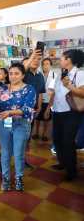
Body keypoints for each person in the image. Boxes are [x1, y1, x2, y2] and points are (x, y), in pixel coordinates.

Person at [0, 63, 36, 191]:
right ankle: (5, 178)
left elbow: (27, 109)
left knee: (18, 153)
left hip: (21, 124)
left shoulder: (29, 89)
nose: (13, 76)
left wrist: (10, 112)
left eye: (16, 73)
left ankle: (18, 178)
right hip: (4, 123)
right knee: (5, 153)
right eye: (11, 73)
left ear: (23, 75)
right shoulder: (3, 89)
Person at [49, 49, 84, 181]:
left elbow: (82, 93)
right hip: (57, 112)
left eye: (62, 58)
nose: (60, 60)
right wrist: (49, 107)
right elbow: (55, 93)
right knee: (57, 139)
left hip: (71, 112)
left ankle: (71, 170)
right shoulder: (60, 74)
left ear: (69, 60)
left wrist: (69, 86)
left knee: (68, 142)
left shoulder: (80, 74)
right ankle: (62, 162)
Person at [23, 50, 46, 169]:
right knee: (12, 137)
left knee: (27, 136)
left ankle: (23, 159)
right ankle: (3, 160)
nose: (36, 61)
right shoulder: (23, 73)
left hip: (31, 111)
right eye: (34, 59)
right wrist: (31, 57)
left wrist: (40, 106)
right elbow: (21, 69)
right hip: (18, 110)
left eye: (38, 59)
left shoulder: (40, 76)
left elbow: (41, 93)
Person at [32, 58, 57, 141]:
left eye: (47, 64)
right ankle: (36, 132)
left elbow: (55, 90)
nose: (45, 66)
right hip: (38, 99)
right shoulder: (38, 74)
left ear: (50, 65)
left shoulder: (54, 75)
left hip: (48, 100)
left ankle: (44, 134)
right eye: (43, 64)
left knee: (46, 117)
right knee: (37, 117)